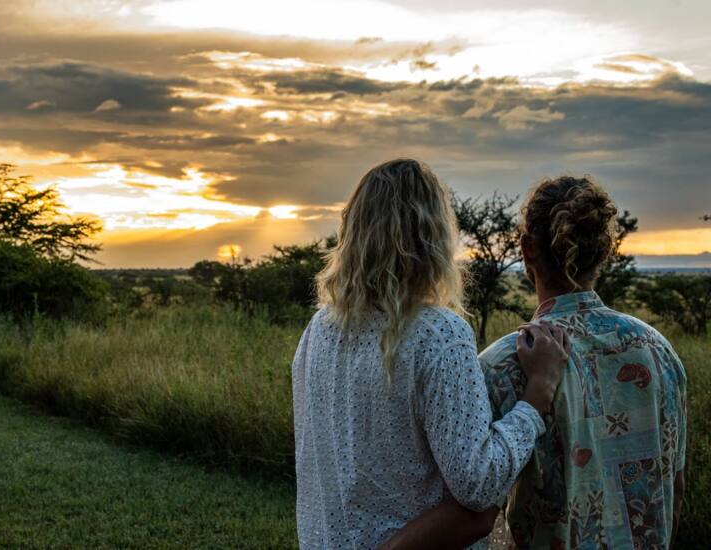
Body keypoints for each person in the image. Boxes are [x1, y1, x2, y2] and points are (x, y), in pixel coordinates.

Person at [385, 175, 687, 549]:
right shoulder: (659, 353)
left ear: (527, 250)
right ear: (606, 251)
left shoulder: (502, 366)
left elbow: (474, 509)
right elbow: (674, 485)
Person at [291, 159, 570, 549]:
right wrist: (536, 395)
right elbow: (478, 483)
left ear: (353, 232)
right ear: (432, 236)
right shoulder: (437, 333)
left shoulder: (318, 329)